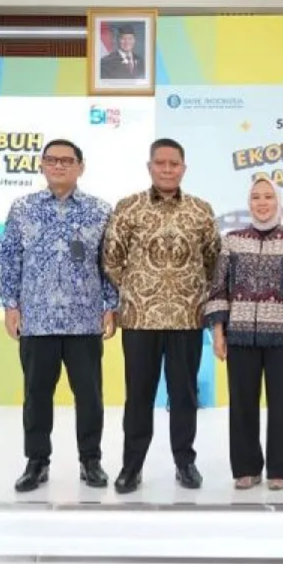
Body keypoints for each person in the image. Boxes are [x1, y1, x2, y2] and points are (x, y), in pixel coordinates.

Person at [0, 139, 118, 492]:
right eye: (52, 160)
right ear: (42, 165)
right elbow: (9, 259)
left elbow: (108, 264)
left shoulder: (100, 211)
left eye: (67, 160)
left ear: (81, 166)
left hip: (85, 321)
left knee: (90, 396)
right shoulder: (23, 209)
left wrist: (111, 305)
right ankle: (37, 462)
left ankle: (90, 461)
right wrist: (10, 305)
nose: (59, 166)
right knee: (36, 395)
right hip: (37, 319)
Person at [103, 137, 221, 493]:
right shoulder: (128, 207)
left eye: (174, 164)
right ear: (150, 166)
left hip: (187, 319)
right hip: (140, 319)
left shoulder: (201, 210)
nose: (167, 169)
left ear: (183, 168)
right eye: (161, 163)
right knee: (138, 395)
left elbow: (213, 260)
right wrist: (139, 288)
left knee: (184, 395)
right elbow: (111, 258)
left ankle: (185, 463)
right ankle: (131, 466)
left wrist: (191, 293)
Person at [205, 175, 283, 491]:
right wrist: (218, 330)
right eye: (256, 197)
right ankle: (246, 468)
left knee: (281, 406)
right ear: (249, 202)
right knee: (242, 405)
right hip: (239, 335)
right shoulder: (232, 239)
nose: (262, 203)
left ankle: (278, 470)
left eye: (268, 197)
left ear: (278, 201)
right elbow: (219, 287)